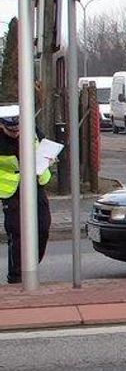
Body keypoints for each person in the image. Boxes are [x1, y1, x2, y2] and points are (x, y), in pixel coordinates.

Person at [0, 107, 52, 284]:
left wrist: (49, 158)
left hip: (35, 183)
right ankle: (16, 277)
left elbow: (44, 145)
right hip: (11, 189)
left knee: (43, 227)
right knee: (16, 232)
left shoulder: (32, 130)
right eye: (11, 130)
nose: (15, 132)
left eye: (18, 128)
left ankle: (30, 265)